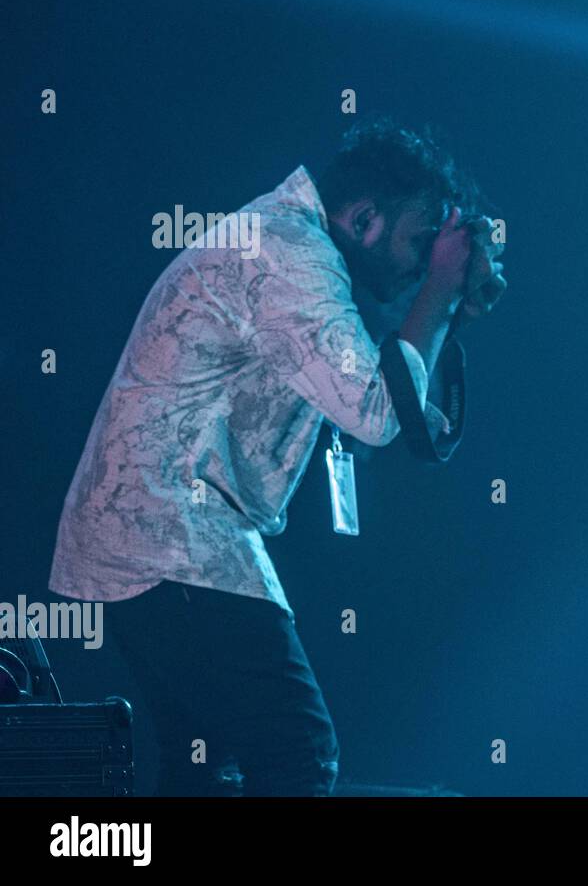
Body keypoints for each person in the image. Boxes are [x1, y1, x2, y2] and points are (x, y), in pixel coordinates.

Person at [48, 117, 505, 795]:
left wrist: (449, 308)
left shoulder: (294, 252)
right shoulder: (288, 254)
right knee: (299, 751)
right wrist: (439, 293)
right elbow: (380, 411)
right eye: (419, 241)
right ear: (364, 219)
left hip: (146, 538)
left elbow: (384, 422)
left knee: (209, 770)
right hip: (171, 535)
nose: (419, 265)